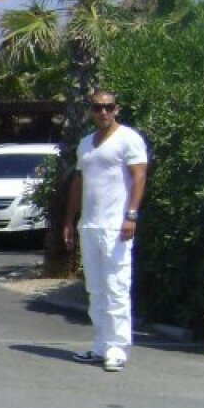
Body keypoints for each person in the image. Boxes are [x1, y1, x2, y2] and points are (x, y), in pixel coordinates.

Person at [62, 90, 148, 373]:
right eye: (98, 108)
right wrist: (69, 221)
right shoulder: (86, 144)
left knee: (117, 286)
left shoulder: (129, 139)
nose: (103, 113)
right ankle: (100, 344)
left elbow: (139, 177)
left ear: (116, 109)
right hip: (89, 224)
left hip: (116, 226)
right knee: (96, 288)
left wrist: (131, 215)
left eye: (108, 107)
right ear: (91, 110)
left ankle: (117, 348)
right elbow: (78, 181)